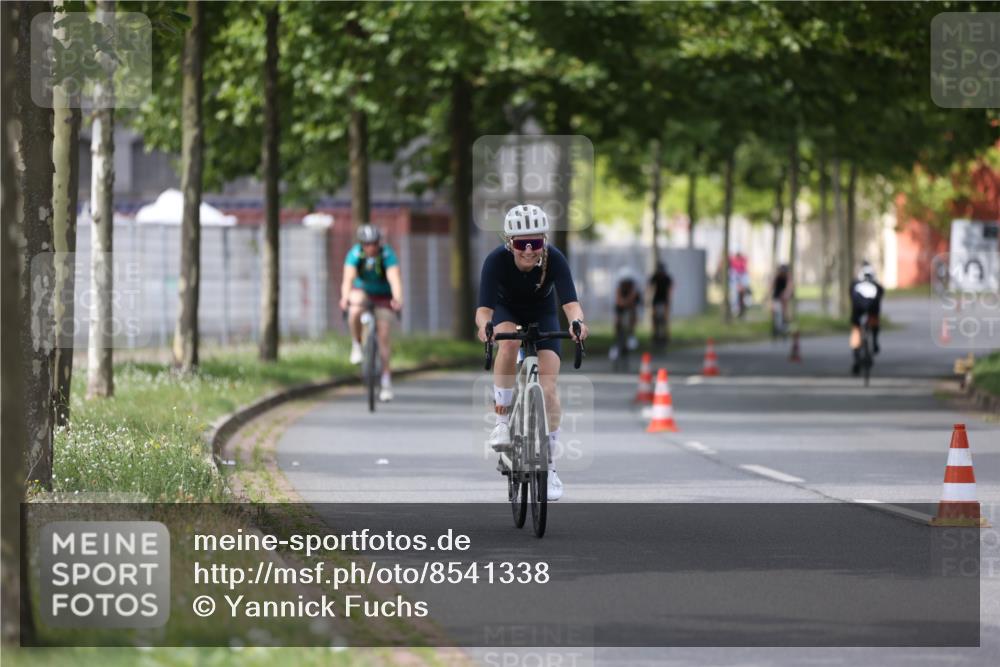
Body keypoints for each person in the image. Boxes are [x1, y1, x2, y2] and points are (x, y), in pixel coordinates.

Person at [475, 204, 589, 502]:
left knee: (549, 389)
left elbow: (570, 304)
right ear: (509, 242)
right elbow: (484, 310)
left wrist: (578, 323)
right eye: (521, 244)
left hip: (542, 312)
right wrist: (486, 327)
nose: (528, 251)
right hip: (506, 309)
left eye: (535, 243)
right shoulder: (496, 261)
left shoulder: (556, 260)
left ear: (544, 241)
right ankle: (501, 424)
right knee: (509, 343)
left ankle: (550, 467)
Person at [339, 224, 404, 401]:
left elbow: (394, 278)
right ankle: (357, 344)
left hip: (383, 295)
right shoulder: (355, 254)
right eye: (367, 244)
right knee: (355, 308)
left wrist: (397, 298)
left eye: (374, 243)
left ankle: (386, 381)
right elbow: (348, 279)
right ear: (362, 244)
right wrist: (345, 298)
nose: (371, 247)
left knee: (383, 336)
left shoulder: (387, 254)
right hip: (363, 292)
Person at [849, 261, 885, 375]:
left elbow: (851, 295)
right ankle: (874, 342)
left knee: (856, 329)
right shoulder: (876, 286)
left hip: (858, 312)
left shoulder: (855, 284)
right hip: (872, 312)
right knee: (874, 320)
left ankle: (856, 358)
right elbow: (881, 295)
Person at [610, 270, 641, 360]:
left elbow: (634, 302)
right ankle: (616, 345)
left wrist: (628, 301)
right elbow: (619, 302)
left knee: (632, 314)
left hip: (630, 308)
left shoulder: (633, 288)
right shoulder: (619, 288)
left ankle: (631, 334)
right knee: (618, 325)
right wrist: (626, 302)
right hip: (620, 309)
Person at [649, 262, 673, 345]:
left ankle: (665, 335)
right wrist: (648, 299)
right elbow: (650, 287)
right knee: (654, 317)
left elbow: (670, 290)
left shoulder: (667, 278)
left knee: (665, 318)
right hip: (656, 299)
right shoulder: (654, 277)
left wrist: (668, 302)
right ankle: (655, 334)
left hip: (664, 299)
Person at [770, 263, 793, 334]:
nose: (782, 273)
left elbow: (789, 287)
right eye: (781, 272)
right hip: (777, 294)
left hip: (784, 295)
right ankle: (775, 326)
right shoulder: (777, 277)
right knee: (775, 309)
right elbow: (771, 286)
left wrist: (786, 294)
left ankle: (786, 322)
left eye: (784, 272)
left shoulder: (788, 277)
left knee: (785, 307)